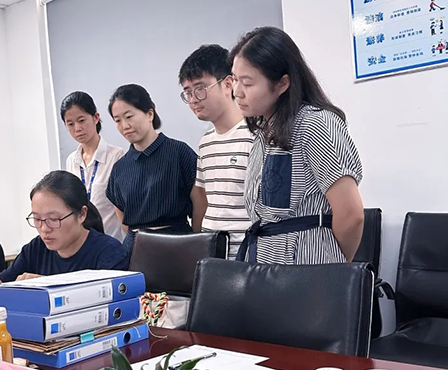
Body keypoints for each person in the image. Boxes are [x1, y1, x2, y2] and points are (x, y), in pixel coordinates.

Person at [230, 27, 364, 264]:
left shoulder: (316, 124)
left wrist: (336, 266)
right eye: (234, 80)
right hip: (267, 266)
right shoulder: (263, 132)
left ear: (282, 83)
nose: (237, 92)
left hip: (309, 267)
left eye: (248, 84)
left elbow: (351, 215)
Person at [0, 171, 128, 309]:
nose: (44, 228)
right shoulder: (36, 248)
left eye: (54, 219)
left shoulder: (109, 253)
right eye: (37, 219)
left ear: (81, 214)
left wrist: (48, 287)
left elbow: (110, 306)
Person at [106, 84, 202, 257]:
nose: (125, 125)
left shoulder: (179, 152)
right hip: (135, 250)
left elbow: (200, 202)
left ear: (150, 114)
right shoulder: (120, 167)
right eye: (117, 120)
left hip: (177, 245)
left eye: (129, 116)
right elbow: (122, 216)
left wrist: (196, 242)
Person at [179, 44, 254, 260]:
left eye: (200, 88)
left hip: (247, 256)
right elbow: (203, 199)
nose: (193, 99)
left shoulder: (255, 136)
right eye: (187, 92)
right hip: (213, 256)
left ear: (228, 84)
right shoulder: (206, 143)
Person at [62, 91, 126, 242]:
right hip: (82, 244)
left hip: (112, 243)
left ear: (96, 117)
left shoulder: (117, 156)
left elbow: (125, 209)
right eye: (70, 124)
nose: (77, 128)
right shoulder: (72, 160)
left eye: (81, 120)